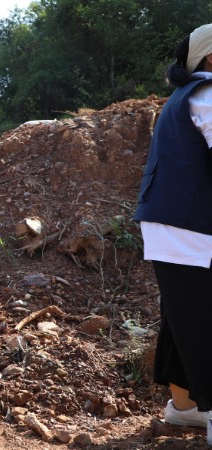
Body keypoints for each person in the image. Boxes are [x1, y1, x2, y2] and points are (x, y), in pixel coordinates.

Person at [134, 23, 212, 430]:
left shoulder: (183, 96)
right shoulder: (208, 93)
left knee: (184, 315)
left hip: (173, 225)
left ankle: (185, 407)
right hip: (190, 226)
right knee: (202, 316)